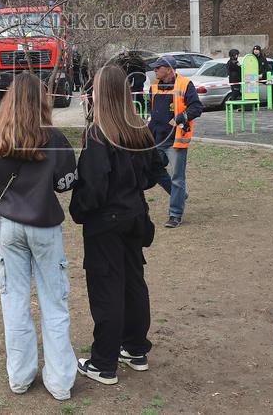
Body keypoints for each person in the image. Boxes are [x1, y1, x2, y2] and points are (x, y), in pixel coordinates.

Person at [0, 72, 78, 401]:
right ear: (42, 100)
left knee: (15, 303)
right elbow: (67, 182)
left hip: (9, 228)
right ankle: (60, 381)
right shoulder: (53, 137)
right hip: (45, 226)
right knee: (54, 303)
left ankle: (20, 377)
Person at [71, 65, 165, 386]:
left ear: (104, 94)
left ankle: (104, 363)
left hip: (108, 223)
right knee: (132, 282)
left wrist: (79, 208)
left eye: (95, 89)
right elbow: (153, 172)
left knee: (108, 287)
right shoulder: (137, 128)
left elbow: (93, 189)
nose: (92, 94)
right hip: (133, 217)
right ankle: (135, 348)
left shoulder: (100, 135)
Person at [147, 55, 203, 228]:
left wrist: (179, 118)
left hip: (175, 141)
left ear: (169, 69)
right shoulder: (154, 85)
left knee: (178, 178)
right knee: (153, 169)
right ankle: (178, 194)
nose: (155, 70)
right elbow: (151, 109)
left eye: (158, 68)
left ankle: (175, 215)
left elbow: (196, 108)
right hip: (157, 139)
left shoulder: (185, 84)